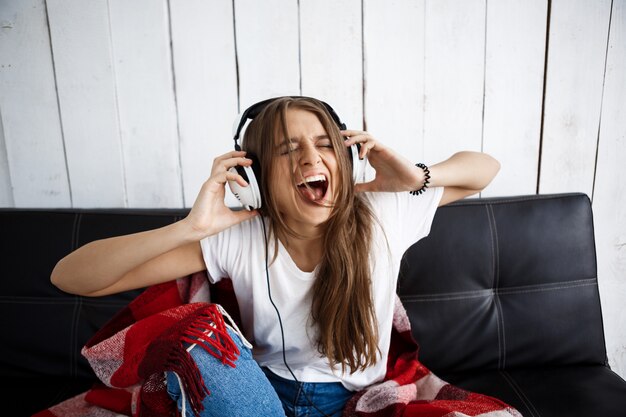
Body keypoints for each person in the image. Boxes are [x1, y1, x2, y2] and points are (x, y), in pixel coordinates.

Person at [51, 96, 501, 417]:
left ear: (345, 160)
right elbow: (72, 277)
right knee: (197, 333)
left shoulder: (384, 212)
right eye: (288, 149)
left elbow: (484, 169)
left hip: (359, 401)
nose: (311, 157)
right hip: (259, 398)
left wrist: (417, 176)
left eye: (325, 144)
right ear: (256, 176)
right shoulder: (238, 235)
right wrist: (190, 227)